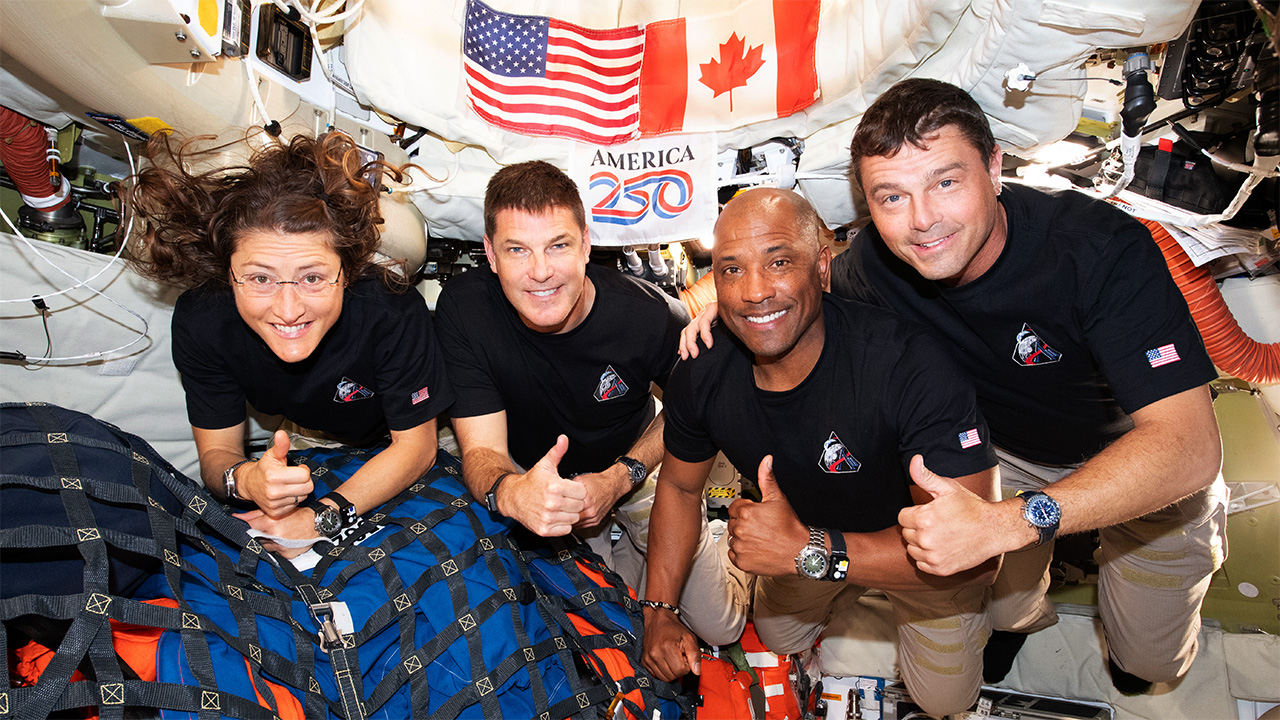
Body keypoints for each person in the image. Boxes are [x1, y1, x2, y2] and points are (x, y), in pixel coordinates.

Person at [684, 79, 1227, 694]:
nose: (922, 221)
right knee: (1002, 605)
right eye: (892, 197)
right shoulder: (874, 266)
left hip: (1138, 453)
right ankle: (1023, 615)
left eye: (945, 182)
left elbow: (1189, 445)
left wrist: (1013, 523)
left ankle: (1125, 635)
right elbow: (789, 283)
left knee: (1151, 664)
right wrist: (732, 305)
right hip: (1003, 455)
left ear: (994, 168)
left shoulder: (1096, 250)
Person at [645, 187, 1000, 718]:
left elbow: (979, 558)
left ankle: (999, 614)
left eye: (779, 262)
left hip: (920, 556)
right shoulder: (703, 370)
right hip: (805, 537)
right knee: (778, 636)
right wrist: (657, 609)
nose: (754, 292)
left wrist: (806, 550)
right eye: (732, 270)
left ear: (822, 267)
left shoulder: (909, 365)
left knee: (945, 701)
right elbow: (677, 485)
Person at [433, 160, 749, 647]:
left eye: (557, 245)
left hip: (634, 461)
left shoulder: (647, 314)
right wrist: (513, 493)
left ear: (585, 244)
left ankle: (715, 539)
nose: (540, 272)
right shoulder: (465, 309)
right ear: (491, 255)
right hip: (540, 476)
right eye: (517, 250)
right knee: (603, 627)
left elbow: (691, 409)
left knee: (721, 628)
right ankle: (628, 552)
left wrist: (621, 477)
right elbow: (482, 451)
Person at [128, 131, 453, 555]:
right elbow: (219, 453)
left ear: (347, 272)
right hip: (314, 434)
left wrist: (318, 519)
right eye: (260, 278)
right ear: (228, 274)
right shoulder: (203, 321)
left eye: (312, 277)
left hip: (420, 432)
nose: (287, 310)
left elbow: (416, 448)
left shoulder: (391, 310)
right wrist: (245, 479)